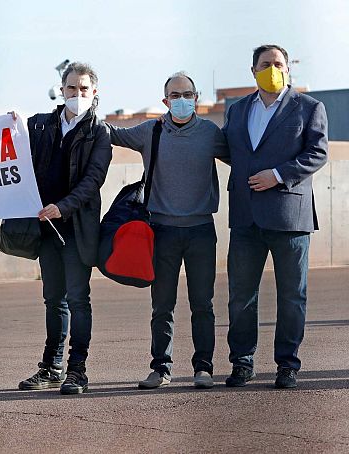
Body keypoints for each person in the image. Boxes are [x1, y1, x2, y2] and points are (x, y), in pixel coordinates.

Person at [107, 72, 229, 390]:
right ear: (165, 101)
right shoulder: (151, 131)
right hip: (162, 231)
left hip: (201, 231)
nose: (182, 100)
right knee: (162, 305)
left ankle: (203, 368)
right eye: (175, 95)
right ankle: (160, 368)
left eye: (187, 94)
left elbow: (243, 157)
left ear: (196, 98)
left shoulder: (210, 133)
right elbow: (112, 133)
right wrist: (83, 111)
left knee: (203, 304)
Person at [222, 44, 328, 389]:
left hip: (289, 217)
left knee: (292, 296)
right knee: (241, 296)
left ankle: (287, 364)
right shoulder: (237, 110)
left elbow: (318, 152)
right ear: (253, 70)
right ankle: (242, 362)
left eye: (278, 63)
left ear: (288, 68)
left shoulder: (309, 107)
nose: (273, 69)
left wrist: (278, 175)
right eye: (265, 64)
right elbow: (230, 151)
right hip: (245, 217)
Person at [17, 62, 112, 395]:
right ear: (61, 89)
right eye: (71, 87)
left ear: (94, 92)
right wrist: (11, 123)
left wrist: (64, 206)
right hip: (46, 230)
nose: (77, 93)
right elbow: (14, 147)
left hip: (77, 229)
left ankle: (77, 370)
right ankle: (51, 367)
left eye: (84, 88)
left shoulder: (100, 132)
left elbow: (93, 180)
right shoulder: (39, 125)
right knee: (53, 300)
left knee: (78, 300)